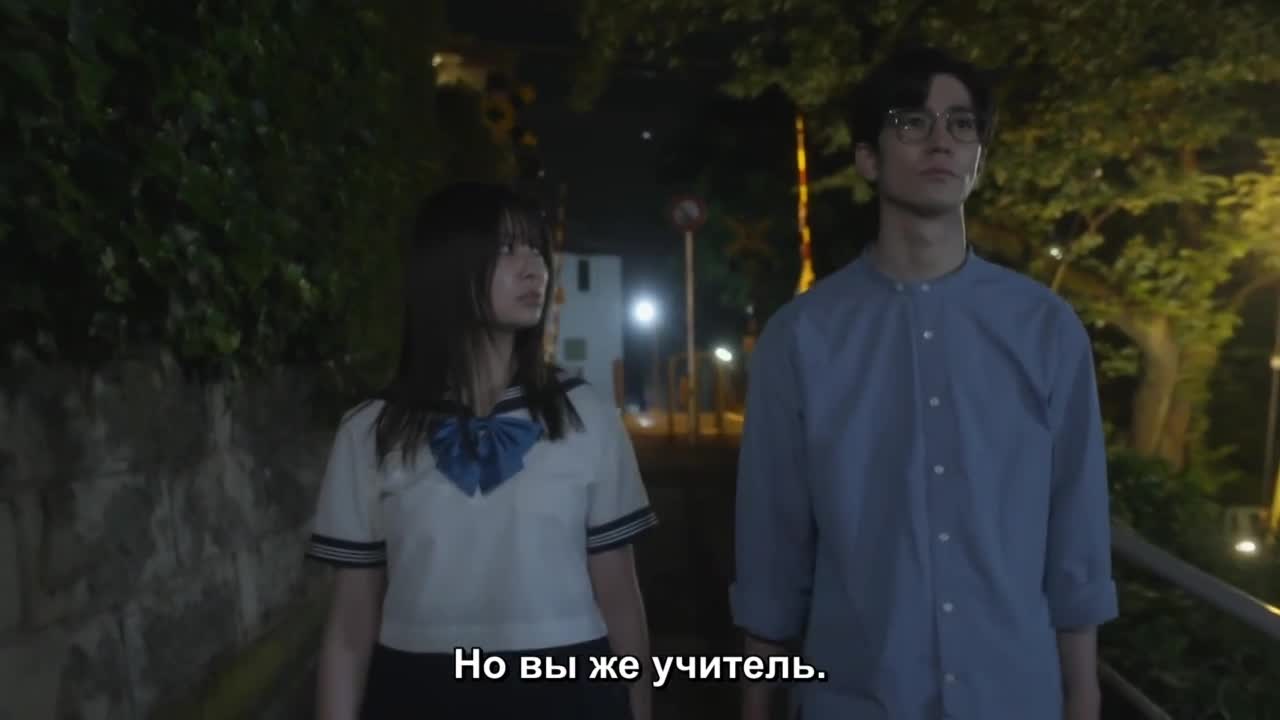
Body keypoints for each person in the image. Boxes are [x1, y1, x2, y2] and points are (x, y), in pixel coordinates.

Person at [731, 46, 1118, 720]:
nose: (942, 140)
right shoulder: (800, 338)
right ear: (867, 159)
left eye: (962, 124)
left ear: (979, 160)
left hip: (1014, 698)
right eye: (912, 121)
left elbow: (1076, 531)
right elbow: (772, 545)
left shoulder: (1046, 329)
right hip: (857, 697)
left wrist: (1083, 697)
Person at [305, 182, 657, 720]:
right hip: (418, 690)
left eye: (536, 248)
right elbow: (352, 623)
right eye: (507, 249)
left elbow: (620, 599)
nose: (534, 268)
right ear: (446, 266)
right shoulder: (371, 429)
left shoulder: (585, 414)